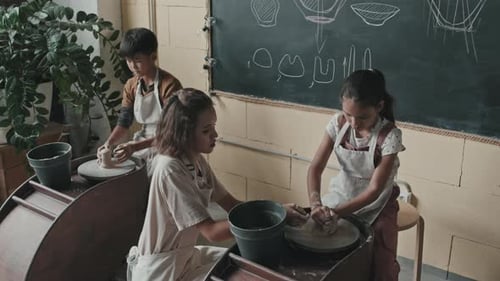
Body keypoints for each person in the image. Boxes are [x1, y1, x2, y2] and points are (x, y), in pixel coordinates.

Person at [127, 88, 308, 281]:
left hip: (185, 256)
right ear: (185, 133)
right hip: (162, 270)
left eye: (213, 126)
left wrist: (277, 210)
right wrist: (270, 220)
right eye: (206, 130)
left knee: (247, 264)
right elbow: (212, 232)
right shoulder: (170, 169)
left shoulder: (195, 159)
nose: (215, 134)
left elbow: (233, 205)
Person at [307, 69, 405, 281]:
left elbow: (373, 191)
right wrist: (316, 204)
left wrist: (337, 213)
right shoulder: (337, 123)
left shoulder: (390, 136)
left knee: (381, 264)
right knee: (316, 241)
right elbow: (315, 168)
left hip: (379, 203)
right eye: (347, 114)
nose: (353, 122)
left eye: (362, 117)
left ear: (379, 107)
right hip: (344, 192)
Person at [98, 27, 182, 170]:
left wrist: (134, 147)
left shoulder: (169, 85)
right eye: (128, 60)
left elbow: (172, 132)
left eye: (137, 60)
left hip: (169, 143)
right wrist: (109, 142)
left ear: (153, 57)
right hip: (143, 140)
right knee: (124, 167)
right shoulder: (131, 85)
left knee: (164, 168)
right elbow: (124, 122)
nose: (132, 66)